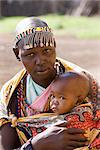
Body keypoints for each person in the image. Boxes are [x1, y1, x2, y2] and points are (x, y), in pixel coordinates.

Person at [0, 17, 99, 150]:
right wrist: (36, 144)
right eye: (30, 54)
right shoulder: (10, 95)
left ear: (54, 46)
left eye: (47, 51)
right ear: (17, 53)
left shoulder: (82, 82)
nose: (40, 61)